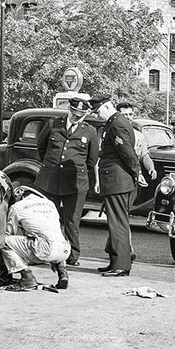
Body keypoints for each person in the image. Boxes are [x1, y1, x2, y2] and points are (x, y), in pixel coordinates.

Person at [35, 94, 99, 265]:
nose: (76, 116)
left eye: (80, 114)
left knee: (72, 220)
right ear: (69, 109)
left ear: (85, 115)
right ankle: (47, 251)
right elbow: (41, 147)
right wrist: (51, 165)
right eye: (74, 112)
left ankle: (72, 255)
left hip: (75, 182)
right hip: (50, 179)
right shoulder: (53, 124)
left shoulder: (90, 131)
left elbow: (91, 160)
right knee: (48, 217)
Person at [0, 182, 71, 292]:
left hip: (44, 249)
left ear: (19, 195)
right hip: (64, 250)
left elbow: (10, 233)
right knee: (53, 236)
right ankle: (62, 273)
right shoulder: (50, 203)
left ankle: (27, 278)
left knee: (4, 241)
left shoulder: (17, 207)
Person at [94, 97, 142, 277]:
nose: (98, 115)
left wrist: (136, 172)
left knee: (118, 223)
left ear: (107, 107)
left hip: (117, 180)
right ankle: (116, 261)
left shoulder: (116, 124)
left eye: (99, 111)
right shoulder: (114, 122)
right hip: (116, 180)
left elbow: (128, 154)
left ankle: (121, 265)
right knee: (115, 223)